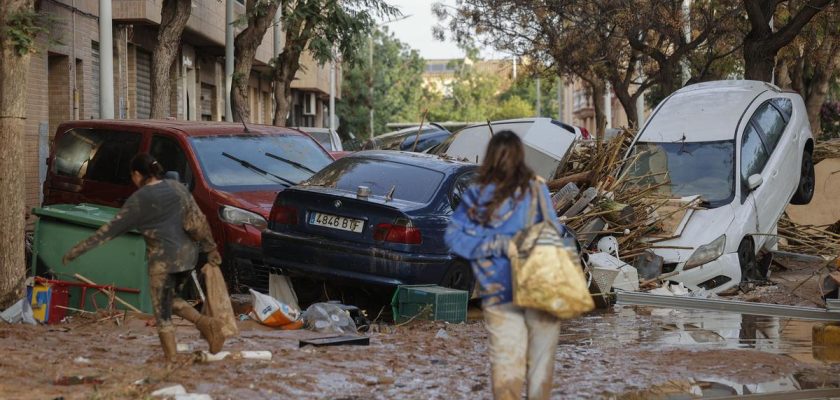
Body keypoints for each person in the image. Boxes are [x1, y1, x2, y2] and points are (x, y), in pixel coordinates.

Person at [62, 153, 226, 363]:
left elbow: (109, 230)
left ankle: (172, 359)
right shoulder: (177, 188)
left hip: (163, 262)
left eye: (133, 176)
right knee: (171, 300)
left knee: (162, 312)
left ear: (138, 175)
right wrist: (210, 248)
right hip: (187, 258)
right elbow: (198, 222)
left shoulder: (139, 200)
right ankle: (206, 324)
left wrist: (77, 250)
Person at [445, 130, 565, 400]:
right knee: (540, 363)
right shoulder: (536, 188)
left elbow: (455, 238)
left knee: (507, 364)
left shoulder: (478, 193)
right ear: (521, 156)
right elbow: (553, 231)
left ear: (489, 157)